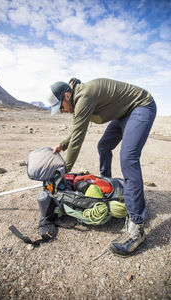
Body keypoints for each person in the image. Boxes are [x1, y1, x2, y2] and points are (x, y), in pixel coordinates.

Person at [47, 77, 157, 257]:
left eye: (61, 107)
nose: (61, 111)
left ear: (67, 95)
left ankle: (137, 227)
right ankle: (108, 186)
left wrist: (64, 170)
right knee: (103, 146)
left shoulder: (84, 97)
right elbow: (76, 131)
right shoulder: (78, 97)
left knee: (128, 159)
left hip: (141, 107)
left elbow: (78, 139)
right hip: (124, 113)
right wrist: (61, 145)